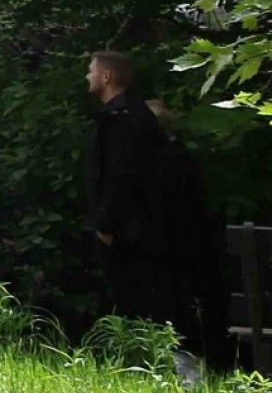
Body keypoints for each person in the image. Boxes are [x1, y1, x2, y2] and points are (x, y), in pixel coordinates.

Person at [83, 50, 226, 366]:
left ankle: (166, 365)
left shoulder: (125, 120)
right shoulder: (126, 117)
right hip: (142, 230)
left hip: (136, 233)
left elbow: (121, 176)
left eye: (91, 71)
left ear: (107, 76)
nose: (88, 76)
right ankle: (159, 362)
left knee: (154, 301)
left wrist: (106, 225)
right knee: (155, 301)